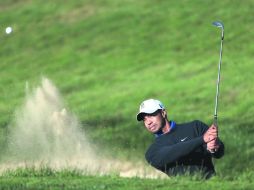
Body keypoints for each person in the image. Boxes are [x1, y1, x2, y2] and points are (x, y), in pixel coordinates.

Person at [136, 99, 224, 179]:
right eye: (144, 119)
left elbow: (219, 153)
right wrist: (202, 140)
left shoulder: (196, 127)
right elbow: (173, 152)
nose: (148, 122)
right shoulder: (152, 152)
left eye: (151, 115)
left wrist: (214, 147)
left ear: (163, 113)